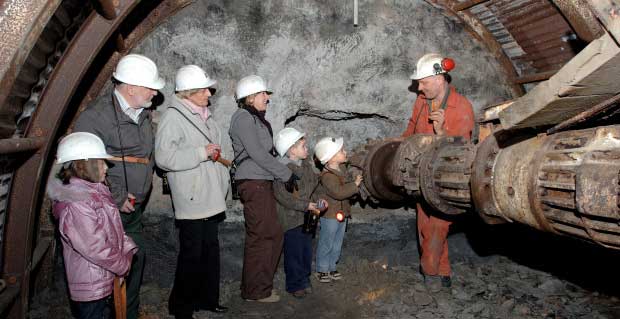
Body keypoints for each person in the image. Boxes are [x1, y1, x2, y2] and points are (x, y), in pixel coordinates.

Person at [73, 54, 164, 318]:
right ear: (131, 87)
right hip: (108, 209)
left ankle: (128, 313)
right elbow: (85, 166)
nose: (155, 91)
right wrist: (117, 194)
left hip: (134, 207)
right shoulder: (96, 118)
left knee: (135, 260)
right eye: (150, 86)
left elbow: (145, 154)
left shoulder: (143, 112)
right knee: (106, 270)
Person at [155, 65, 229, 318]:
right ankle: (182, 307)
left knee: (210, 251)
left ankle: (208, 299)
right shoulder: (173, 117)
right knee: (191, 255)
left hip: (210, 195)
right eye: (204, 89)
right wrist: (201, 153)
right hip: (192, 196)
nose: (210, 92)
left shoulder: (204, 114)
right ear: (189, 93)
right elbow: (164, 158)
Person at [402, 53, 475, 292]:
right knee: (424, 226)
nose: (419, 88)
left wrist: (442, 132)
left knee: (438, 228)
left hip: (447, 180)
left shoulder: (461, 106)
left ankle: (430, 272)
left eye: (423, 82)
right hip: (421, 177)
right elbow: (410, 131)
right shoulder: (421, 101)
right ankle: (443, 270)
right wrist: (396, 149)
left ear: (440, 78)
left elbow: (462, 152)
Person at [47, 132, 137, 319]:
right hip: (92, 287)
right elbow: (94, 245)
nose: (106, 167)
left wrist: (127, 247)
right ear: (83, 165)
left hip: (102, 277)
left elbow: (110, 229)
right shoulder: (77, 202)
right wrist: (122, 264)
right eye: (100, 162)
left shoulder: (95, 191)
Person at [229, 75, 297, 303]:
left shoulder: (254, 118)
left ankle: (259, 286)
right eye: (262, 94)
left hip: (261, 181)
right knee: (261, 236)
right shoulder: (243, 118)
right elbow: (257, 153)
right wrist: (285, 173)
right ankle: (255, 291)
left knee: (272, 233)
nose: (267, 97)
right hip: (253, 182)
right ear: (249, 97)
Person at [273, 127, 328, 298]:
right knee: (294, 253)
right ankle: (295, 284)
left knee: (306, 250)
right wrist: (307, 205)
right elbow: (284, 198)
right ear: (291, 150)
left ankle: (304, 279)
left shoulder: (306, 166)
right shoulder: (282, 171)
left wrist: (320, 199)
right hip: (291, 219)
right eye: (303, 146)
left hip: (308, 216)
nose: (307, 149)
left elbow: (315, 185)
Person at [313, 136, 363, 283]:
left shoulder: (340, 169)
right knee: (327, 242)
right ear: (332, 157)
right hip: (330, 215)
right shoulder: (327, 177)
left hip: (342, 213)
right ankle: (322, 269)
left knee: (337, 242)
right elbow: (339, 193)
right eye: (341, 151)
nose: (345, 152)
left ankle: (331, 266)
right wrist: (355, 185)